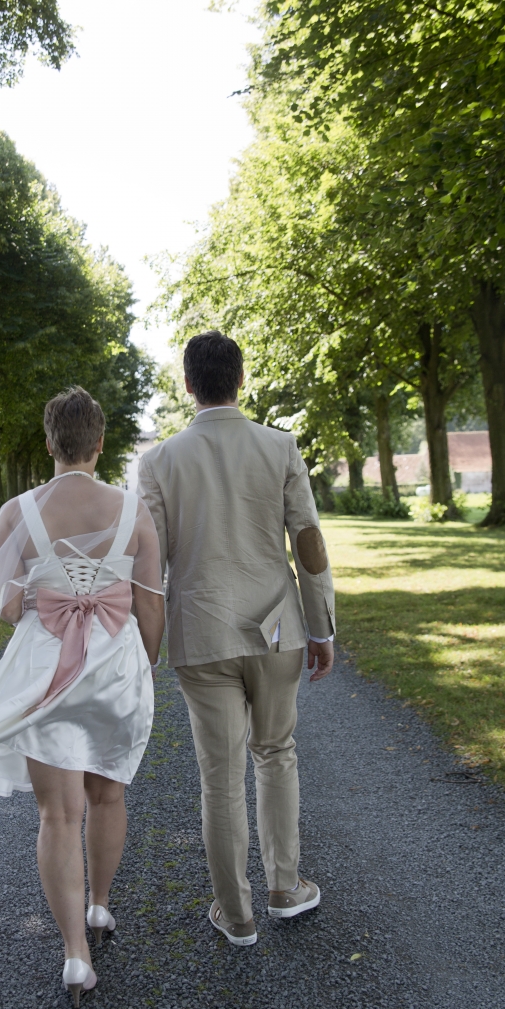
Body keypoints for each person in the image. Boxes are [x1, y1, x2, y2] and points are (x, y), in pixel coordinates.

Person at [0, 387, 164, 1004]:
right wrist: (149, 661)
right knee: (107, 791)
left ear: (48, 441)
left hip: (44, 669)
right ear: (100, 442)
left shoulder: (17, 511)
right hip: (115, 664)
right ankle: (99, 906)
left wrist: (46, 604)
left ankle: (74, 955)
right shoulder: (133, 510)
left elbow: (8, 607)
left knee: (58, 812)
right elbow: (150, 603)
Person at [138, 331, 335, 947]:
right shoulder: (279, 446)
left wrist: (140, 644)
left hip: (202, 630)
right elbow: (309, 541)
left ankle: (237, 914)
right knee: (275, 753)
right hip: (277, 628)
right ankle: (285, 885)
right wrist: (322, 624)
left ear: (189, 385)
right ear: (241, 380)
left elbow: (148, 562)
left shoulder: (159, 460)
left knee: (219, 776)